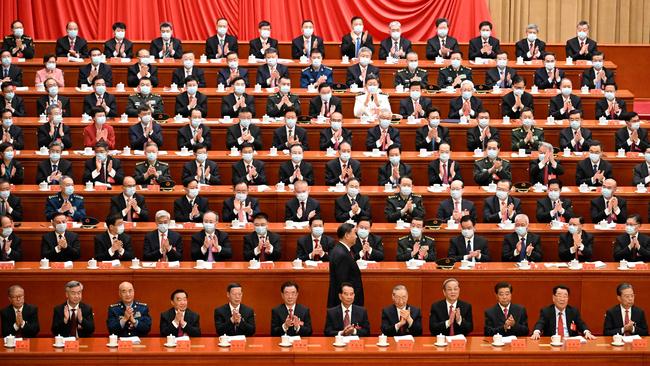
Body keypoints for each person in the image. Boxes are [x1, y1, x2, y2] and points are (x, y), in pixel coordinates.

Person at [531, 285, 596, 340]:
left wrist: (586, 332)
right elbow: (540, 323)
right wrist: (537, 332)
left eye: (565, 296)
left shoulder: (573, 311)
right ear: (553, 298)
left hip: (570, 343)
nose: (562, 299)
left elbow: (581, 324)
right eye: (559, 296)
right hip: (553, 342)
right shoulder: (546, 311)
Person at [327, 223, 364, 308]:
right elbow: (343, 282)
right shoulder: (342, 254)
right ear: (347, 235)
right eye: (354, 233)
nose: (356, 236)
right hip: (346, 303)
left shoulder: (340, 250)